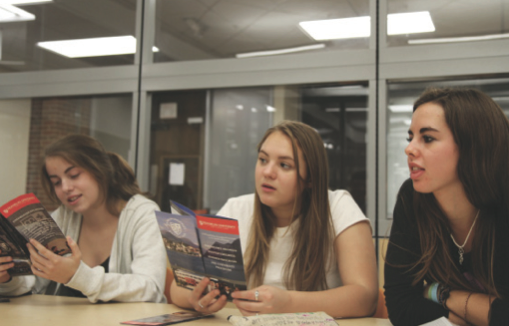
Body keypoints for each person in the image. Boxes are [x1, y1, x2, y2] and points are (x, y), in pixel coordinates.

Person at [170, 120, 378, 317]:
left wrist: (288, 304)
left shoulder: (338, 207)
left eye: (284, 165)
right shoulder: (236, 209)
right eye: (263, 160)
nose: (267, 172)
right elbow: (177, 288)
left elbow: (365, 297)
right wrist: (196, 298)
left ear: (311, 178)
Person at [384, 88, 509, 326]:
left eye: (427, 138)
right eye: (411, 137)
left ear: (473, 145)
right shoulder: (412, 197)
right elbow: (401, 307)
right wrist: (478, 311)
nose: (409, 149)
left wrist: (439, 293)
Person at [0, 134, 167, 303]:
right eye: (56, 182)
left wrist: (77, 276)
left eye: (74, 175)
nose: (65, 187)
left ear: (100, 171)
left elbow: (150, 288)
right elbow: (34, 283)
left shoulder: (142, 213)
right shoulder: (63, 216)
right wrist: (6, 278)